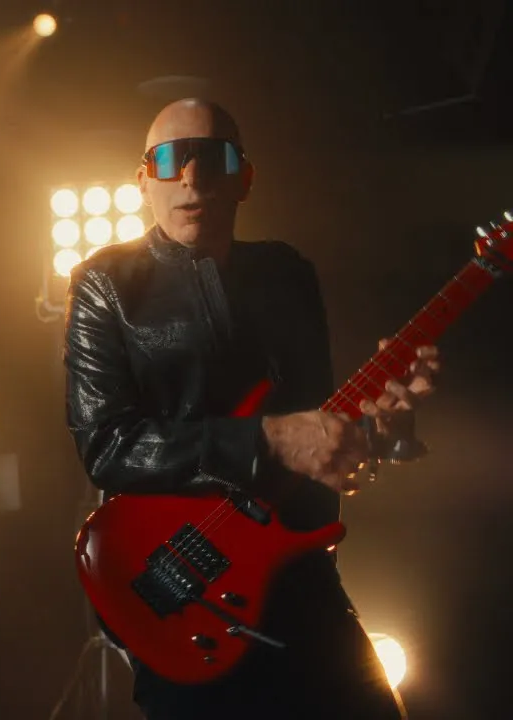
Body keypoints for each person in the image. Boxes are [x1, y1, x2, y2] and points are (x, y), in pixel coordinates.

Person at [63, 98, 440, 720]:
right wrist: (267, 438)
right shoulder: (104, 283)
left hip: (298, 576)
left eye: (212, 157)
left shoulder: (287, 273)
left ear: (245, 178)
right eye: (169, 159)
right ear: (143, 180)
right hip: (184, 581)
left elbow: (319, 439)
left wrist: (380, 430)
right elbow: (106, 446)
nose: (191, 176)